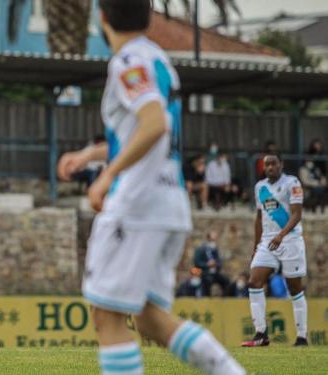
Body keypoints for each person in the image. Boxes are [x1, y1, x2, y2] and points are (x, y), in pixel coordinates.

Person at [56, 1, 244, 374]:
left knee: (106, 315)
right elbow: (142, 130)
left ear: (102, 17)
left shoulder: (128, 62)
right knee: (148, 318)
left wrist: (108, 176)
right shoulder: (159, 59)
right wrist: (92, 155)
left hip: (137, 204)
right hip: (168, 202)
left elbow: (154, 123)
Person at [242, 154, 308, 347]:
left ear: (281, 165)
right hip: (268, 241)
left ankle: (302, 336)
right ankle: (261, 334)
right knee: (254, 282)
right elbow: (258, 217)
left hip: (290, 239)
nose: (269, 167)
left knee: (294, 288)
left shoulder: (292, 183)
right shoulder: (260, 187)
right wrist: (256, 247)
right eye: (266, 164)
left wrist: (282, 235)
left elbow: (297, 214)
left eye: (273, 164)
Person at [193, 230, 230, 297]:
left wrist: (216, 264)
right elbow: (197, 262)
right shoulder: (200, 249)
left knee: (226, 280)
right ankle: (207, 300)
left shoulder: (215, 250)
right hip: (205, 273)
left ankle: (225, 299)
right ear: (208, 238)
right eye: (212, 239)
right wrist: (207, 265)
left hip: (215, 273)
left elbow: (219, 261)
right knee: (207, 282)